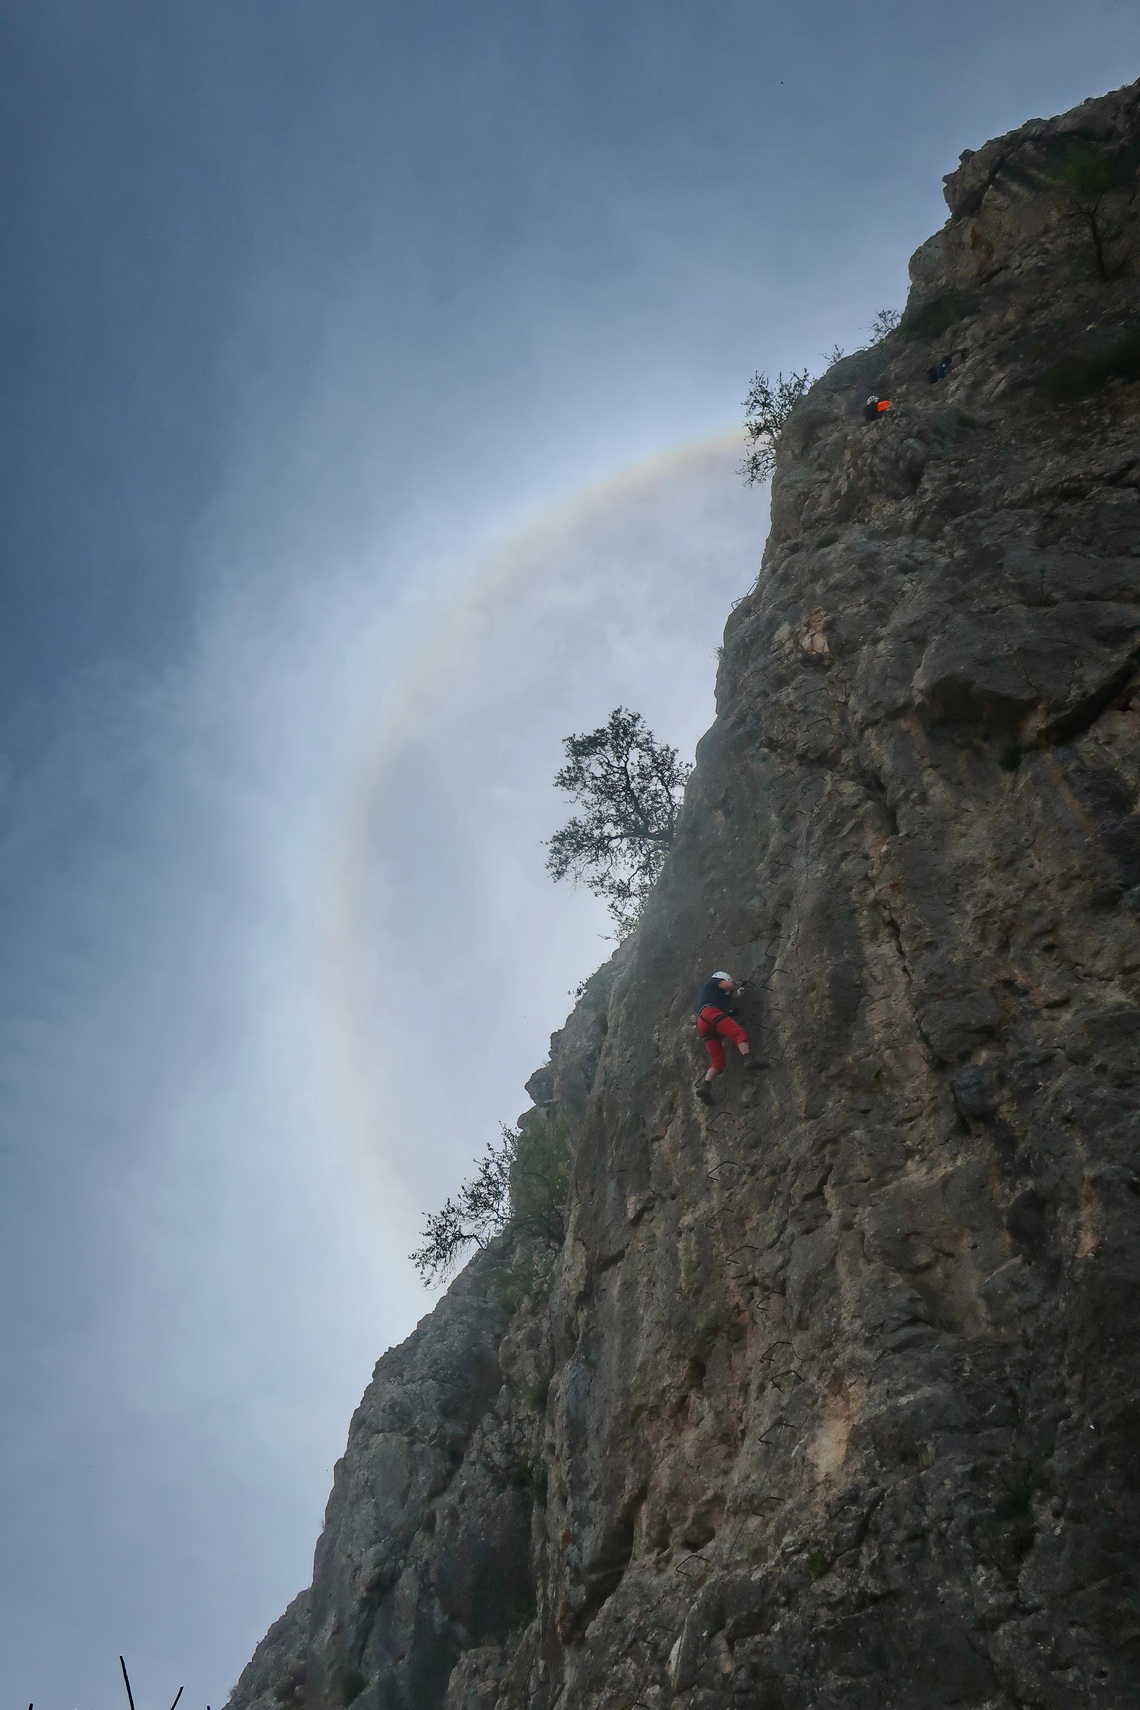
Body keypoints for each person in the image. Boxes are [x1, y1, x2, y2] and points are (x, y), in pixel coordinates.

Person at [694, 971, 759, 1103]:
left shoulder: (715, 996)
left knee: (718, 1061)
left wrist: (733, 1007)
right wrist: (739, 984)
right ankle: (748, 1059)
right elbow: (729, 986)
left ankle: (705, 1086)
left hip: (702, 1022)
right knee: (738, 1033)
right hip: (711, 1013)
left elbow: (731, 1011)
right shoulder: (714, 982)